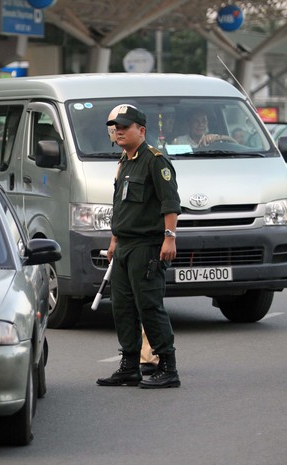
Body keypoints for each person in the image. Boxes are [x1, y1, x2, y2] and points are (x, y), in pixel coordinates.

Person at [97, 104, 182, 389]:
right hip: (124, 247)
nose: (118, 131)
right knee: (122, 307)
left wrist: (169, 237)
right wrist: (113, 240)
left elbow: (170, 202)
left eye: (124, 127)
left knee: (149, 306)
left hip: (147, 246)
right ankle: (129, 366)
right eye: (115, 127)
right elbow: (120, 206)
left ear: (141, 130)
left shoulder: (155, 161)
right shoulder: (125, 161)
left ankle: (168, 367)